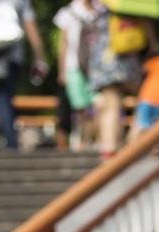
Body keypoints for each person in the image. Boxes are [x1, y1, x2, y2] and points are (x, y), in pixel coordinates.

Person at [0, 0, 49, 151]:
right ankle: (10, 137)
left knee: (1, 97)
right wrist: (39, 56)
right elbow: (29, 24)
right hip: (14, 54)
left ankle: (10, 140)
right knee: (6, 96)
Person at [84, 9, 155, 158]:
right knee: (146, 98)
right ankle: (127, 143)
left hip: (104, 61)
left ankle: (109, 148)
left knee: (109, 105)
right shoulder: (134, 7)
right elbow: (150, 37)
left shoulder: (102, 9)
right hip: (126, 61)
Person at [54, 0, 99, 150]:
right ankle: (85, 140)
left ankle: (92, 140)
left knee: (96, 107)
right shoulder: (68, 12)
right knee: (80, 107)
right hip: (73, 67)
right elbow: (64, 43)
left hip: (97, 68)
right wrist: (62, 71)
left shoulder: (101, 9)